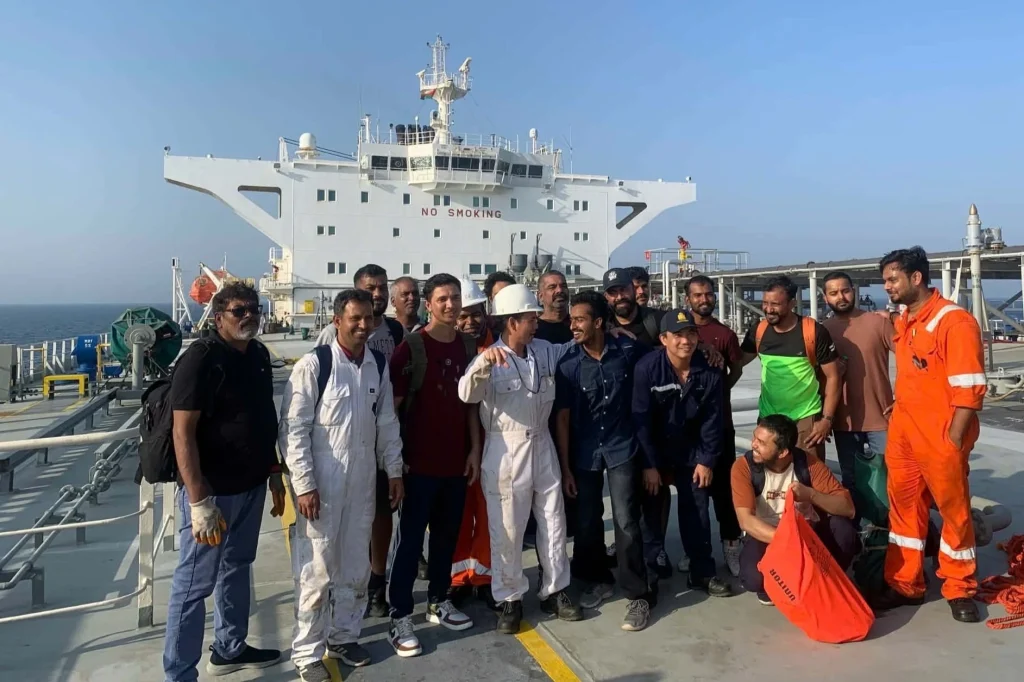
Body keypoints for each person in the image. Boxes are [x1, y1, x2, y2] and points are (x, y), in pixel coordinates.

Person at [279, 289, 405, 680]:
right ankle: (307, 652)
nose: (364, 326)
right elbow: (293, 429)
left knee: (355, 567)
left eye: (368, 318)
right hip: (323, 487)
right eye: (355, 319)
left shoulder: (377, 365)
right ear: (337, 321)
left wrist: (394, 470)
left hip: (362, 483)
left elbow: (387, 422)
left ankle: (344, 636)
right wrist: (304, 485)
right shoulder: (315, 366)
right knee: (316, 571)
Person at [163, 282, 284, 682]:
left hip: (251, 484)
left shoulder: (258, 355)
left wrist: (274, 473)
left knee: (237, 566)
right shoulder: (201, 358)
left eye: (254, 308)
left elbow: (263, 418)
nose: (249, 315)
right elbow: (182, 432)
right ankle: (180, 674)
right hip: (213, 493)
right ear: (218, 318)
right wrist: (198, 500)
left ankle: (230, 647)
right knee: (194, 584)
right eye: (238, 310)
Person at [458, 284, 583, 634]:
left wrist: (609, 331)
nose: (536, 324)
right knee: (507, 530)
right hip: (506, 450)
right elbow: (466, 393)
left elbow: (571, 347)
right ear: (512, 322)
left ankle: (555, 590)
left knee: (554, 522)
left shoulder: (542, 350)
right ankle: (509, 598)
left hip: (542, 443)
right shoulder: (489, 358)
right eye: (530, 319)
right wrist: (482, 365)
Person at [872, 247, 986, 623]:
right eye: (886, 280)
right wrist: (901, 405)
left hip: (940, 436)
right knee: (904, 511)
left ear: (916, 277)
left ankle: (959, 587)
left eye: (893, 279)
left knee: (955, 513)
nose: (887, 286)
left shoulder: (954, 322)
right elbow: (918, 374)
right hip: (905, 433)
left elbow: (970, 390)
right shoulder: (906, 320)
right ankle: (906, 584)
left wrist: (953, 440)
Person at [386, 274, 481, 657]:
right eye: (443, 298)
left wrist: (474, 450)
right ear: (429, 304)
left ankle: (439, 600)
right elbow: (391, 411)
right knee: (410, 543)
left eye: (455, 298)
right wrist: (396, 463)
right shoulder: (410, 349)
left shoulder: (468, 346)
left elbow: (472, 404)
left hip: (455, 463)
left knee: (445, 538)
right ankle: (399, 615)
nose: (450, 304)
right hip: (418, 466)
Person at [555, 291, 654, 631]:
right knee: (587, 521)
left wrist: (705, 350)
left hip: (621, 447)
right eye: (571, 320)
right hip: (584, 454)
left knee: (626, 520)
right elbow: (563, 419)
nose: (573, 326)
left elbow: (663, 357)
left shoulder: (627, 351)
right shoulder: (568, 364)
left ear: (598, 322)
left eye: (579, 320)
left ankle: (638, 594)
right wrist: (566, 468)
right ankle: (597, 579)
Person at [315, 265, 409, 617]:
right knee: (333, 529)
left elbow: (390, 404)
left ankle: (375, 582)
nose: (378, 294)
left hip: (378, 442)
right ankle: (330, 595)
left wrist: (394, 460)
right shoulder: (326, 344)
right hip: (336, 450)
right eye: (371, 288)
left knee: (380, 514)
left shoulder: (395, 331)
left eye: (383, 287)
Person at [633, 309, 733, 598]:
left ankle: (702, 573)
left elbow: (713, 420)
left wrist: (706, 461)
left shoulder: (710, 370)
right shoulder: (647, 369)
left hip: (692, 452)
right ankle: (651, 573)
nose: (685, 341)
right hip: (656, 452)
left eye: (690, 334)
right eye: (677, 335)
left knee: (697, 511)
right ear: (664, 339)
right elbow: (640, 420)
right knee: (651, 513)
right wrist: (648, 465)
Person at [731, 415, 859, 605]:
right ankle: (778, 585)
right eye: (754, 438)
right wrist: (790, 542)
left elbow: (848, 508)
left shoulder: (808, 464)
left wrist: (811, 495)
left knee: (844, 530)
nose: (753, 445)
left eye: (761, 442)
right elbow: (746, 521)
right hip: (768, 536)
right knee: (753, 578)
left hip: (807, 534)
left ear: (783, 452)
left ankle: (825, 579)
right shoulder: (743, 467)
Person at [739, 275, 842, 458]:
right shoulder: (759, 330)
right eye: (765, 303)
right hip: (768, 419)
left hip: (805, 419)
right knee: (769, 472)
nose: (768, 309)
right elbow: (737, 361)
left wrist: (826, 420)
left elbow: (834, 376)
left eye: (775, 304)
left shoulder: (813, 332)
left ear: (792, 303)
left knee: (808, 472)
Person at [683, 275, 744, 577]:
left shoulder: (725, 334)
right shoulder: (681, 332)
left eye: (708, 294)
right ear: (688, 299)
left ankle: (732, 546)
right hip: (687, 429)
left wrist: (718, 391)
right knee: (693, 496)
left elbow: (736, 370)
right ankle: (697, 551)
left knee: (724, 492)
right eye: (698, 295)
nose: (704, 299)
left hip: (721, 426)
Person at [821, 271, 894, 501]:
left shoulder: (878, 322)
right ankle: (857, 522)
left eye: (845, 291)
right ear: (825, 297)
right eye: (833, 293)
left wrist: (903, 397)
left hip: (882, 419)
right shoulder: (823, 330)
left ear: (854, 291)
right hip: (843, 421)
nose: (840, 297)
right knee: (850, 480)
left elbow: (911, 357)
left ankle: (889, 522)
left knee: (890, 478)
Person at [450, 277, 498, 608]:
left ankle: (485, 576)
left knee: (491, 513)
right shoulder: (446, 347)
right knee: (457, 514)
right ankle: (458, 578)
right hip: (456, 446)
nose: (470, 322)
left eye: (476, 314)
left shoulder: (502, 346)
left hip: (495, 445)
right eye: (463, 316)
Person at [603, 268, 664, 347]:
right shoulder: (602, 327)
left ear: (632, 290)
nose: (619, 297)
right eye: (613, 292)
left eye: (623, 290)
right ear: (606, 296)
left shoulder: (658, 320)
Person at [535, 271, 573, 344]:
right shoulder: (533, 330)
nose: (560, 290)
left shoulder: (578, 326)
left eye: (563, 286)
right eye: (552, 287)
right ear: (540, 296)